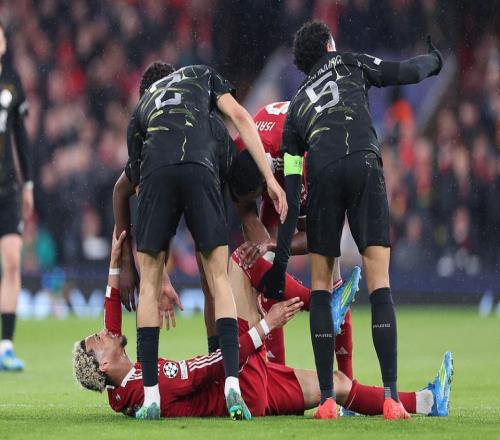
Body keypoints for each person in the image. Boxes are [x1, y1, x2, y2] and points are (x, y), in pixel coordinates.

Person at [258, 21, 443, 419]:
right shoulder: (349, 62)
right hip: (363, 162)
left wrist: (280, 260)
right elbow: (402, 72)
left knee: (322, 287)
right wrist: (434, 61)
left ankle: (327, 400)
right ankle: (391, 399)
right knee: (380, 283)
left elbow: (290, 193)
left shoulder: (297, 106)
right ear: (329, 45)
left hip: (323, 172)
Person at [72, 230, 454, 419]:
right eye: (99, 339)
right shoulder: (147, 384)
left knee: (336, 384)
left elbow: (111, 319)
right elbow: (211, 367)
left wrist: (115, 263)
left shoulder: (123, 387)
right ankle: (322, 306)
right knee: (240, 261)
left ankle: (427, 402)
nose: (106, 332)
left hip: (249, 388)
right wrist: (265, 326)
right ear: (103, 363)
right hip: (241, 383)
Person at [125, 61, 287, 420]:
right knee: (218, 279)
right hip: (201, 166)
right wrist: (269, 179)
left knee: (148, 286)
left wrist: (159, 272)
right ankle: (231, 383)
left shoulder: (141, 109)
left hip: (157, 173)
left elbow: (138, 184)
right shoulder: (200, 76)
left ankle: (150, 397)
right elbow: (240, 116)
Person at [227, 102, 360, 382]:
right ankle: (277, 378)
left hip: (319, 156)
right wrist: (264, 255)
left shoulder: (300, 154)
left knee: (329, 273)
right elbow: (245, 207)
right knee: (264, 272)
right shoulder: (239, 151)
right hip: (277, 163)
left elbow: (319, 236)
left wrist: (272, 244)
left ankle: (346, 384)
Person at [0, 22, 33, 371]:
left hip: (8, 187)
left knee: (11, 261)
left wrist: (28, 184)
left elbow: (21, 136)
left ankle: (6, 346)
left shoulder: (12, 82)